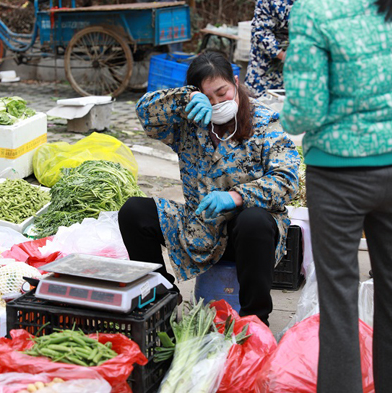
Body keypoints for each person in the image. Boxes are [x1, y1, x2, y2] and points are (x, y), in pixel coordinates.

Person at [281, 0, 392, 392]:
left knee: (340, 298)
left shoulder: (314, 7)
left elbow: (304, 109)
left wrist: (288, 117)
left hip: (337, 172)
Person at [118, 51, 301, 325]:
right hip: (199, 230)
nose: (217, 103)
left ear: (235, 82)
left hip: (251, 240)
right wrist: (184, 99)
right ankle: (162, 298)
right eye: (208, 97)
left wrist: (236, 197)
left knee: (253, 221)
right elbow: (145, 113)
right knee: (134, 211)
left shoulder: (265, 124)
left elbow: (287, 180)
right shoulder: (190, 123)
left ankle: (255, 320)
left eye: (222, 92)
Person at [244, 0, 305, 98]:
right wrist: (284, 56)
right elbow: (261, 33)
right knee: (263, 108)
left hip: (297, 70)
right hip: (266, 69)